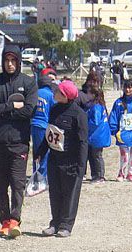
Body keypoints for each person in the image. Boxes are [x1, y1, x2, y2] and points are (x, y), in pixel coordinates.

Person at [0, 44, 38, 238]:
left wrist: (4, 111)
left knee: (17, 182)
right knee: (1, 183)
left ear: (19, 62)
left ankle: (15, 219)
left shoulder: (29, 83)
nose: (10, 64)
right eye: (7, 60)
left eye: (14, 60)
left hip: (19, 141)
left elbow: (29, 110)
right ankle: (4, 219)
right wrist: (12, 106)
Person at [33, 79, 87, 238]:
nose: (54, 93)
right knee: (55, 192)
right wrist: (40, 151)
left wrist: (81, 165)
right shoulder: (54, 109)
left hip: (71, 161)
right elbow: (50, 133)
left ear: (66, 96)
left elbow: (83, 142)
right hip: (54, 159)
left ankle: (66, 225)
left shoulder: (79, 114)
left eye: (58, 92)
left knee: (70, 193)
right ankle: (55, 223)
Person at [30, 70, 56, 195]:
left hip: (33, 125)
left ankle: (36, 175)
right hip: (44, 126)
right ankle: (41, 179)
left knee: (36, 152)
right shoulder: (50, 95)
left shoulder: (35, 94)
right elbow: (54, 110)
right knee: (44, 153)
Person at [83, 82, 111, 183]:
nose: (87, 95)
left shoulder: (96, 107)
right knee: (92, 156)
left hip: (97, 136)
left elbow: (95, 122)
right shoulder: (98, 105)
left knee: (97, 156)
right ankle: (95, 175)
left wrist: (84, 123)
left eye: (89, 93)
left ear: (94, 94)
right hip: (96, 136)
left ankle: (100, 176)